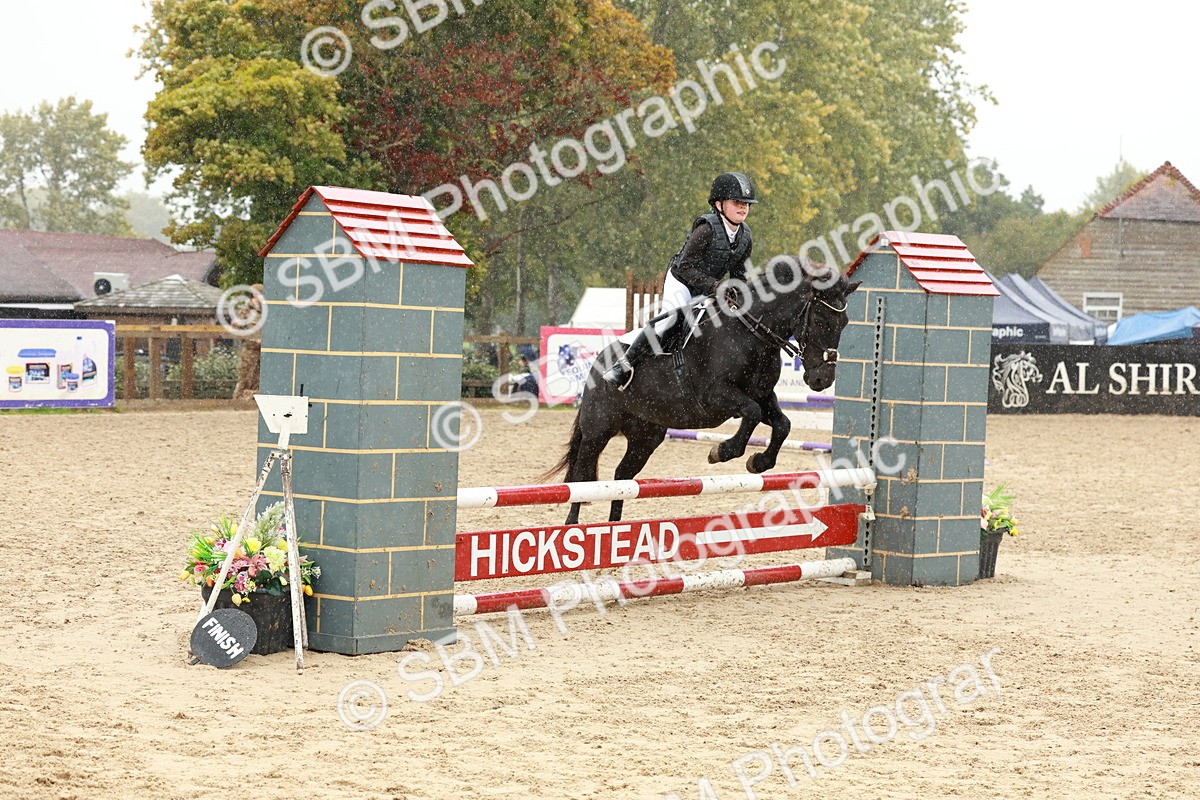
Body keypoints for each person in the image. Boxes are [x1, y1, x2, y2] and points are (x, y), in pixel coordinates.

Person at [602, 171, 757, 389]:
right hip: (682, 282)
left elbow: (739, 275)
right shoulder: (706, 229)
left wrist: (739, 296)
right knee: (669, 321)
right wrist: (716, 286)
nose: (743, 207)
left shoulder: (745, 236)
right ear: (720, 204)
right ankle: (623, 365)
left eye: (747, 204)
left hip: (709, 288)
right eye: (737, 202)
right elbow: (686, 267)